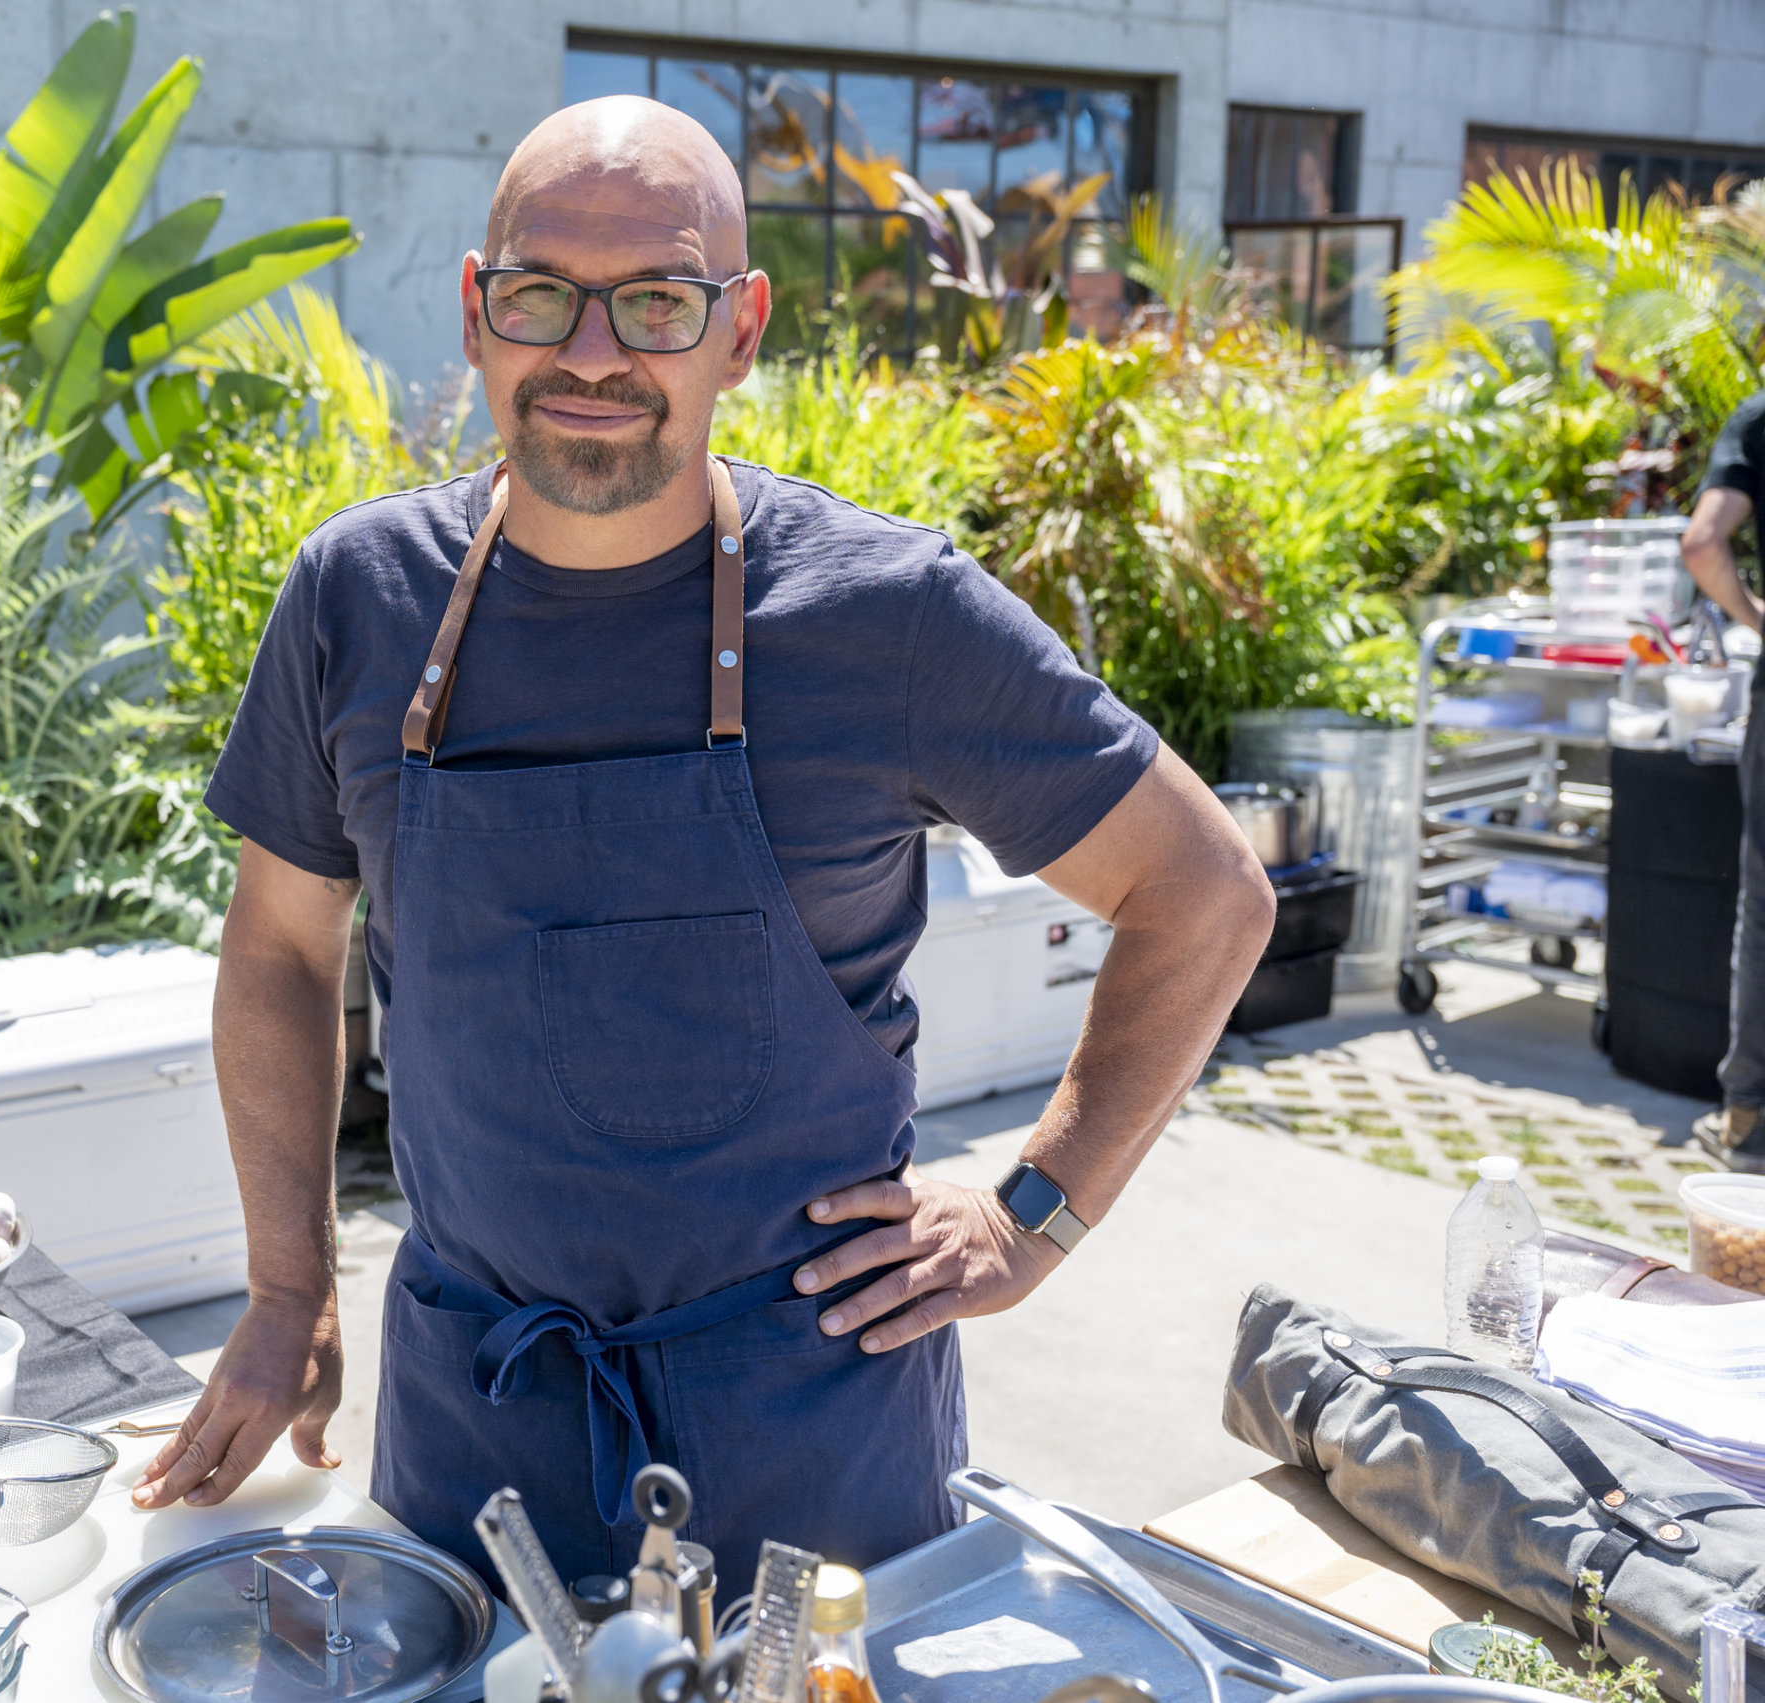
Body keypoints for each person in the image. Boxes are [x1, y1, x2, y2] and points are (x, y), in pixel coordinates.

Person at [129, 96, 1275, 1581]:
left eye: (658, 301)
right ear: (480, 314)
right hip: (474, 1431)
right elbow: (284, 946)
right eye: (543, 293)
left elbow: (1206, 889)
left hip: (810, 1445)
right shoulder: (358, 596)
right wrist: (292, 1286)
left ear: (738, 333)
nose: (593, 354)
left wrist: (1033, 1207)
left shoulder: (889, 614)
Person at [1680, 395, 1765, 1166]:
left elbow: (1704, 542)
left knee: (1764, 904)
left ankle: (1747, 1120)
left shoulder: (1760, 417)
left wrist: (1754, 615)